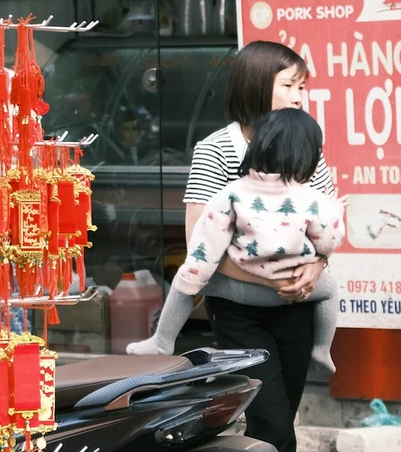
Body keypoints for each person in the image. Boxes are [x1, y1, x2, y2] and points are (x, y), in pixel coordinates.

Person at [136, 40, 336, 452]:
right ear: (258, 86)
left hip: (296, 312)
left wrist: (315, 271)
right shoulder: (217, 150)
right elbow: (199, 241)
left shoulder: (302, 143)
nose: (302, 94)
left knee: (273, 435)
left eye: (303, 85)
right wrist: (271, 277)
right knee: (271, 435)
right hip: (241, 317)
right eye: (291, 84)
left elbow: (325, 223)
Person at [130, 108, 344, 376]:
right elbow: (329, 241)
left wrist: (196, 277)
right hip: (297, 287)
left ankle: (162, 341)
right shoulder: (314, 199)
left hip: (243, 289)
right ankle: (322, 348)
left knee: (188, 279)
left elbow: (205, 247)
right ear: (308, 156)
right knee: (332, 288)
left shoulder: (230, 194)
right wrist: (335, 216)